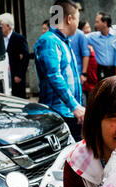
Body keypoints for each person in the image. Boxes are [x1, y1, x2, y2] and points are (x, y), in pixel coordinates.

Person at [34, 0, 85, 142]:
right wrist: (74, 106)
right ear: (69, 19)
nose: (77, 24)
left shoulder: (62, 41)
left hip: (69, 112)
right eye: (77, 19)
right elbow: (54, 75)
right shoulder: (49, 40)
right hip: (58, 113)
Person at [0, 13, 29, 99]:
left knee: (18, 99)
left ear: (8, 26)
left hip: (16, 77)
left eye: (1, 26)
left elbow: (25, 57)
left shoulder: (19, 38)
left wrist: (19, 75)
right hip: (4, 76)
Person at [87, 12, 116, 82]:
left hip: (115, 70)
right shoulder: (93, 37)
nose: (95, 24)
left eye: (97, 22)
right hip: (101, 70)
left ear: (105, 23)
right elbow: (81, 39)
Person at [69, 21, 90, 99]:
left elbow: (85, 54)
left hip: (77, 71)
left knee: (79, 97)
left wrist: (84, 73)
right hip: (65, 72)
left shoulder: (80, 34)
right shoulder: (60, 35)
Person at [79, 21, 98, 104]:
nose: (88, 30)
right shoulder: (80, 44)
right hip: (84, 80)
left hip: (93, 80)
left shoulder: (93, 42)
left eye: (88, 27)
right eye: (85, 28)